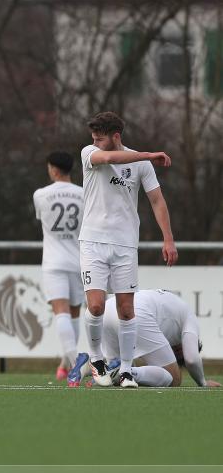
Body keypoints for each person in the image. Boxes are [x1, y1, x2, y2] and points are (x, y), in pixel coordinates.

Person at [78, 111, 177, 388]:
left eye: (100, 139)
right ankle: (96, 358)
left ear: (116, 136)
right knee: (96, 305)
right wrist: (148, 155)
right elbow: (110, 158)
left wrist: (168, 238)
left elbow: (156, 200)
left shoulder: (141, 163)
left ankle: (125, 370)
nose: (95, 143)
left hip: (125, 244)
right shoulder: (90, 153)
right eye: (94, 138)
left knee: (126, 309)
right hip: (93, 242)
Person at [76, 290, 220, 388]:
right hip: (133, 312)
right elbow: (192, 359)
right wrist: (203, 383)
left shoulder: (171, 308)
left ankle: (90, 365)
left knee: (118, 371)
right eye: (179, 352)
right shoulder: (190, 318)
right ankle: (120, 372)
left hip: (109, 309)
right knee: (174, 378)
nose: (176, 352)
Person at [32, 151, 88, 385]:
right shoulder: (84, 193)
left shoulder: (40, 194)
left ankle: (75, 364)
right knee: (73, 314)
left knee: (61, 312)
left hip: (53, 262)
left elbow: (43, 219)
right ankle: (66, 365)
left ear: (54, 169)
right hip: (78, 260)